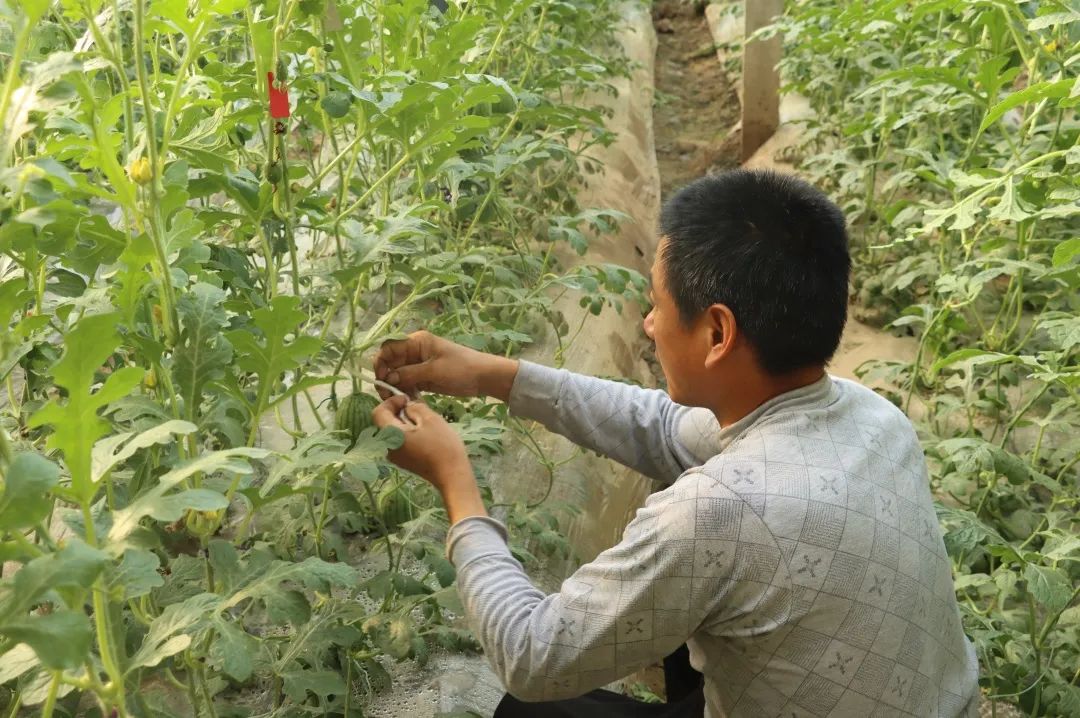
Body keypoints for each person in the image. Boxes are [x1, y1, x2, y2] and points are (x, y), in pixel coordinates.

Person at [370, 169, 980, 717]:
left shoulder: (718, 512)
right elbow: (662, 426)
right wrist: (496, 376)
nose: (648, 324)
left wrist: (456, 483)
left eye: (657, 306)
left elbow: (534, 657)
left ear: (717, 331)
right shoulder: (874, 415)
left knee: (530, 712)